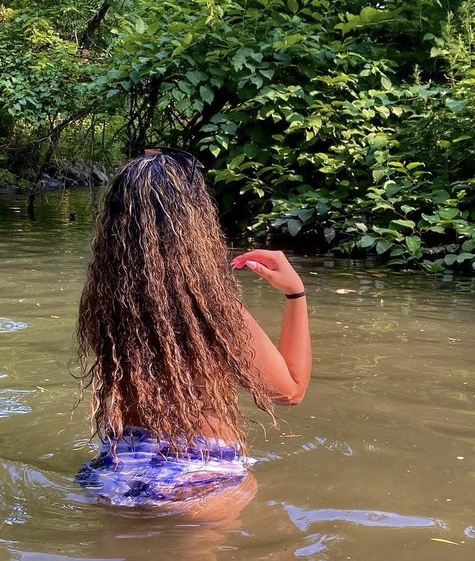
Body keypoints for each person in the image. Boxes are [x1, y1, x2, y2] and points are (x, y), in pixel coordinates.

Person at [74, 147, 311, 516]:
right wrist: (295, 294)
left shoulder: (107, 301)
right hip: (199, 475)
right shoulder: (210, 306)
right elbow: (289, 392)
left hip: (118, 469)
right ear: (195, 222)